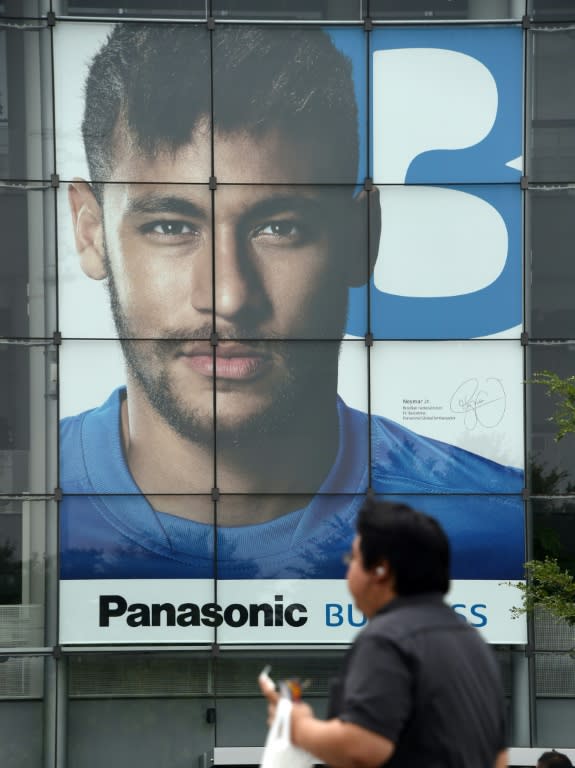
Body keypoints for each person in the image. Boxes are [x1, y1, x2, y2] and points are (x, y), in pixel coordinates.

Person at [59, 23, 523, 581]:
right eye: (169, 226)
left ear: (360, 239)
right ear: (90, 233)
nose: (227, 297)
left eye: (279, 227)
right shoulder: (26, 507)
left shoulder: (503, 525)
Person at [260, 498, 509, 768]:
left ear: (380, 569)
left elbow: (362, 747)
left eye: (353, 558)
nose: (348, 570)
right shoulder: (473, 642)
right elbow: (499, 758)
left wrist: (296, 725)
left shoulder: (387, 638)